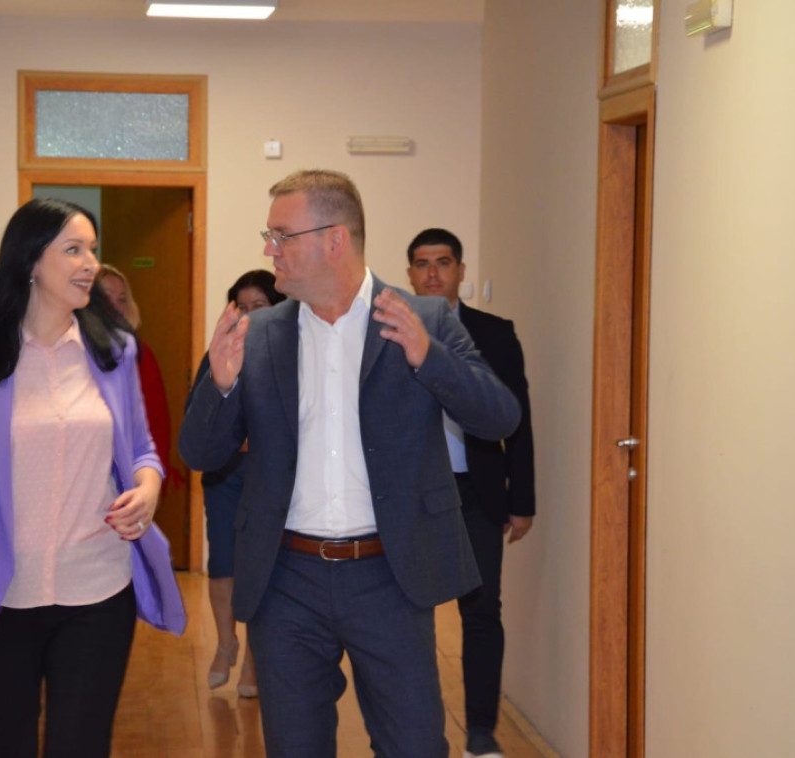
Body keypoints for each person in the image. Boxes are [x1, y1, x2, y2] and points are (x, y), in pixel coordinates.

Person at [179, 169, 521, 758]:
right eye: (269, 236)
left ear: (334, 239)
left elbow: (500, 417)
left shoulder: (425, 320)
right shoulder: (257, 335)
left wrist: (428, 357)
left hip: (390, 577)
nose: (269, 249)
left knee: (414, 747)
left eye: (281, 235)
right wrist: (222, 385)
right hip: (286, 580)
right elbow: (200, 453)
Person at [0, 198, 164, 758]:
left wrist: (148, 488)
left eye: (93, 250)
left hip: (99, 594)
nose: (90, 264)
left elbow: (143, 449)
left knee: (81, 746)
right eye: (73, 250)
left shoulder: (116, 352)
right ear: (31, 260)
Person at [406, 227, 535, 758]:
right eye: (422, 264)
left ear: (460, 270)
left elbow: (518, 419)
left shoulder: (494, 334)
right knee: (410, 614)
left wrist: (522, 500)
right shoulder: (391, 331)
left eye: (443, 262)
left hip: (478, 492)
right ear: (410, 274)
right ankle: (415, 732)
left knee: (481, 611)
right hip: (415, 495)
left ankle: (481, 732)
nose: (433, 273)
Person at [199, 269, 285, 698]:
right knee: (222, 562)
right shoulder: (218, 352)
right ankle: (225, 643)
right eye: (242, 307)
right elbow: (199, 417)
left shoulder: (287, 351)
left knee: (258, 566)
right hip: (224, 474)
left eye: (259, 307)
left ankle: (252, 658)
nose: (249, 315)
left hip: (267, 476)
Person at [95, 264, 182, 493]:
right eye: (106, 298)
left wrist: (153, 483)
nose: (115, 306)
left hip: (130, 480)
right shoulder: (72, 352)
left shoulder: (140, 355)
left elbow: (157, 425)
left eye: (122, 299)